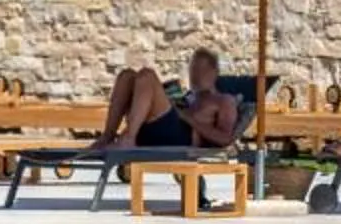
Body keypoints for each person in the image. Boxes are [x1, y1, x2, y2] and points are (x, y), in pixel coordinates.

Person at [94, 46, 238, 151]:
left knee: (147, 75)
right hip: (158, 129)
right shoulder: (188, 96)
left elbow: (225, 138)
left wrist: (188, 118)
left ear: (215, 72)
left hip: (182, 138)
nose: (195, 76)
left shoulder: (223, 100)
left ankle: (129, 138)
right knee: (127, 76)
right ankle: (107, 136)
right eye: (193, 70)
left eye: (201, 70)